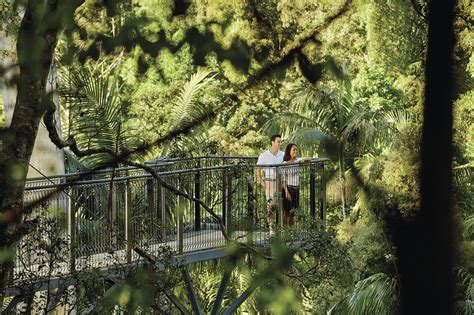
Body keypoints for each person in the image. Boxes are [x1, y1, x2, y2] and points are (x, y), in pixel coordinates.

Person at [256, 134, 284, 235]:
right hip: (269, 182)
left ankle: (281, 228)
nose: (280, 143)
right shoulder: (263, 156)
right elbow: (257, 170)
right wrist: (262, 182)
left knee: (281, 206)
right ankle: (271, 229)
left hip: (281, 182)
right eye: (279, 142)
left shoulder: (283, 154)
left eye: (281, 142)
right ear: (273, 142)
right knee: (270, 206)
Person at [281, 143, 310, 226]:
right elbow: (283, 180)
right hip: (289, 189)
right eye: (294, 149)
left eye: (297, 149)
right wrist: (286, 192)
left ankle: (291, 232)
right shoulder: (284, 164)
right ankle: (284, 231)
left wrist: (302, 160)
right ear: (288, 151)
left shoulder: (297, 161)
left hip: (296, 189)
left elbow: (309, 158)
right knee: (287, 212)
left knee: (293, 212)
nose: (296, 151)